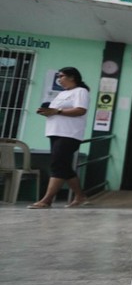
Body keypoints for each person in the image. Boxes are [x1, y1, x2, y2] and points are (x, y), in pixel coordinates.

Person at [28, 67, 91, 209]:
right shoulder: (62, 94)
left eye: (62, 76)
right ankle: (80, 196)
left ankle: (47, 200)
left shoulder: (81, 91)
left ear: (72, 77)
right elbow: (56, 111)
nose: (59, 80)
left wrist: (57, 111)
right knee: (63, 166)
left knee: (58, 165)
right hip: (55, 132)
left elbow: (80, 110)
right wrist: (48, 112)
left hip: (69, 134)